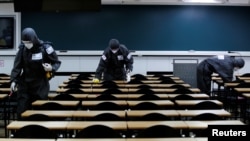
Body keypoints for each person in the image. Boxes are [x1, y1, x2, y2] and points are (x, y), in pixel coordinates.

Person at [10, 27, 61, 119]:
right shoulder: (22, 49)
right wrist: (13, 81)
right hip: (25, 84)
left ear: (34, 39)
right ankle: (22, 131)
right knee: (22, 110)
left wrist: (51, 68)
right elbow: (17, 66)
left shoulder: (46, 47)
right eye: (25, 42)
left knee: (40, 112)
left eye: (29, 42)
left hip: (40, 84)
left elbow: (57, 62)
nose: (27, 45)